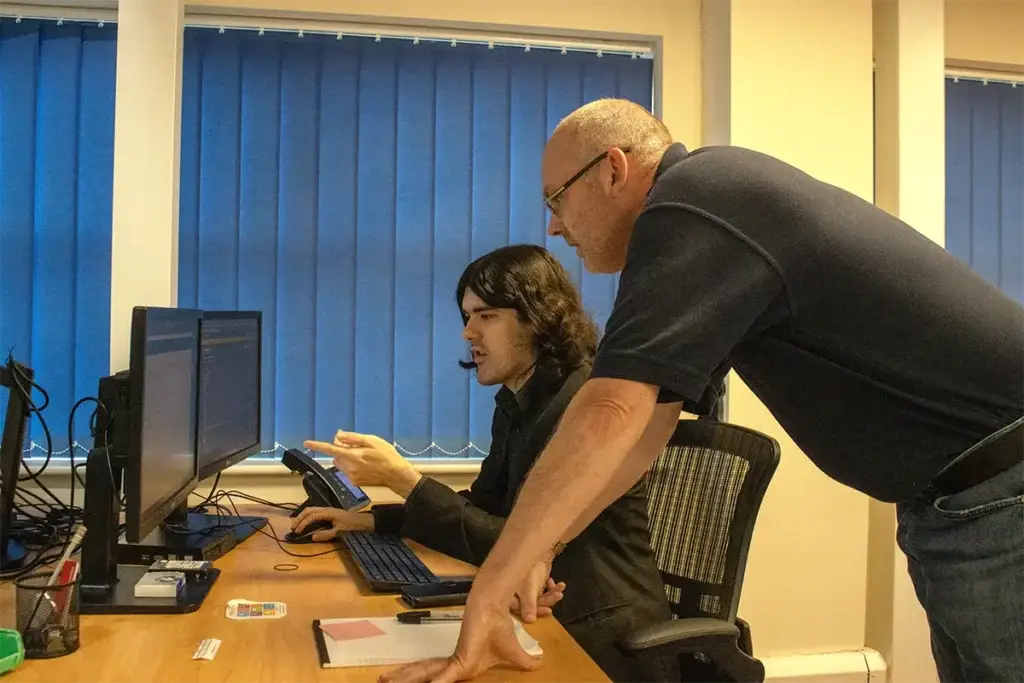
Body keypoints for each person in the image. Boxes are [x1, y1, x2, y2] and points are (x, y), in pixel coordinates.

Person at [380, 98, 1024, 683]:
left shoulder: (693, 203)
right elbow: (651, 421)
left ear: (613, 169)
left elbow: (611, 406)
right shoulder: (707, 217)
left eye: (557, 201)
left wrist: (491, 590)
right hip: (958, 500)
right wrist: (540, 549)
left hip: (1002, 486)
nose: (554, 227)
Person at [295, 244, 672, 683]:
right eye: (467, 316)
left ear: (537, 316)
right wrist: (371, 522)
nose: (468, 332)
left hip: (605, 634)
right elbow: (487, 512)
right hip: (548, 614)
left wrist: (403, 480)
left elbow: (514, 543)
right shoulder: (517, 401)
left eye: (486, 315)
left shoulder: (579, 407)